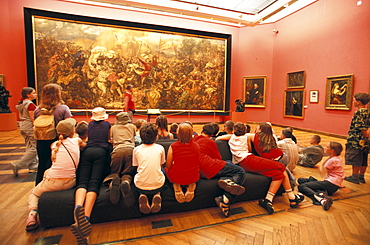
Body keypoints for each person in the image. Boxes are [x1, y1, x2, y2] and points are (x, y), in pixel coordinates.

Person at [216, 122, 303, 214]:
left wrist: (217, 138)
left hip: (246, 162)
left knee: (278, 174)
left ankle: (268, 200)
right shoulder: (249, 136)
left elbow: (223, 137)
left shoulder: (244, 136)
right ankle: (292, 197)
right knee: (281, 167)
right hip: (248, 160)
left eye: (257, 128)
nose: (256, 130)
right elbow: (248, 148)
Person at [25, 118, 86, 231]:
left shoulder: (54, 145)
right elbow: (84, 145)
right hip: (70, 181)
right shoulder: (76, 141)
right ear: (73, 131)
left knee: (34, 193)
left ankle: (32, 215)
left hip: (53, 182)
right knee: (47, 172)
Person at [71, 107, 111, 244]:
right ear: (104, 117)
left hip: (88, 150)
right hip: (101, 152)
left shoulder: (90, 125)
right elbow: (109, 139)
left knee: (82, 182)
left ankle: (77, 209)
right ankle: (85, 217)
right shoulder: (107, 124)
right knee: (94, 183)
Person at [193, 124, 246, 217]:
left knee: (229, 163)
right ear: (212, 135)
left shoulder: (195, 139)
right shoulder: (211, 142)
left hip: (198, 169)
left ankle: (226, 180)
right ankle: (225, 199)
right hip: (208, 167)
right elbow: (218, 158)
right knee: (240, 171)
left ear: (202, 131)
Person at [34, 83, 72, 185]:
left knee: (42, 164)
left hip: (41, 140)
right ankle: (51, 187)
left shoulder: (38, 109)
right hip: (57, 140)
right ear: (57, 94)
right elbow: (69, 124)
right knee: (54, 164)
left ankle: (38, 186)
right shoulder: (63, 108)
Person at [298, 142, 344, 211]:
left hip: (331, 184)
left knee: (302, 186)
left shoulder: (332, 160)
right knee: (301, 180)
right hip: (334, 184)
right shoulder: (337, 158)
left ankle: (320, 198)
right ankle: (321, 192)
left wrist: (322, 163)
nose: (325, 148)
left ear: (332, 151)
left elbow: (322, 173)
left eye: (327, 147)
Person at [132, 123, 166, 214]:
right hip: (158, 185)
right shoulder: (160, 148)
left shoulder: (136, 149)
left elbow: (136, 166)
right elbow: (161, 164)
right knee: (161, 171)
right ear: (155, 136)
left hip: (140, 186)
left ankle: (142, 194)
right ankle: (157, 194)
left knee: (139, 172)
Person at [166, 123, 200, 203]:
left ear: (178, 134)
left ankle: (176, 186)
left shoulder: (173, 146)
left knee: (166, 170)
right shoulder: (196, 146)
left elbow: (168, 165)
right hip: (193, 175)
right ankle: (191, 185)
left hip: (177, 175)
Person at [108, 112, 136, 206]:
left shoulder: (113, 127)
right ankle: (126, 181)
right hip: (130, 150)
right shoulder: (132, 126)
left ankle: (113, 182)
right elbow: (134, 137)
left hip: (117, 150)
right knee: (128, 173)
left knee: (115, 173)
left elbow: (110, 139)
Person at [344, 93, 370, 184]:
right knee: (363, 157)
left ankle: (354, 177)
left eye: (354, 100)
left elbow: (361, 126)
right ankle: (361, 176)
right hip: (365, 140)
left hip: (356, 139)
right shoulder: (367, 111)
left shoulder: (359, 112)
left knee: (355, 157)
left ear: (358, 102)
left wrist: (365, 135)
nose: (353, 102)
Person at [11, 87, 38, 176]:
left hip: (23, 126)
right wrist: (36, 127)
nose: (35, 94)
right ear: (28, 95)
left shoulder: (22, 103)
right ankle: (18, 165)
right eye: (33, 93)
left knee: (29, 146)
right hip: (29, 126)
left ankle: (33, 166)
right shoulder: (30, 105)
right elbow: (32, 118)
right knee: (35, 147)